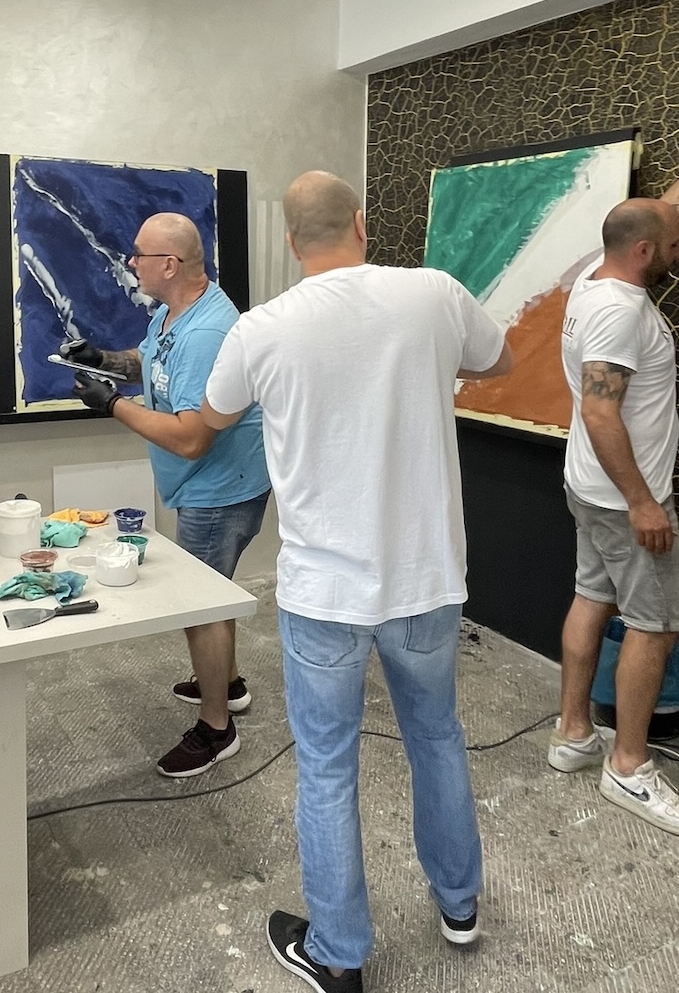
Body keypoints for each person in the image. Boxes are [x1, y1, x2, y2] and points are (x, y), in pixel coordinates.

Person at [201, 172, 512, 993]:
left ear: (291, 242)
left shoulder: (262, 328)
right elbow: (500, 358)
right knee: (437, 737)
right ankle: (459, 906)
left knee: (328, 767)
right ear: (363, 226)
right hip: (426, 577)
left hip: (323, 595)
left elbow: (213, 413)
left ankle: (339, 954)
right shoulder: (434, 294)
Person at [64, 212, 271, 779]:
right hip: (205, 484)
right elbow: (149, 362)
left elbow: (190, 438)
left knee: (201, 605)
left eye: (139, 254)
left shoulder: (207, 334)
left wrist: (112, 405)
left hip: (218, 487)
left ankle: (216, 730)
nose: (131, 263)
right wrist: (101, 361)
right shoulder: (173, 312)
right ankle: (227, 685)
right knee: (211, 593)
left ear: (170, 265)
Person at [549, 196, 679, 836]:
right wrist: (643, 502)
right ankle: (628, 765)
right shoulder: (621, 311)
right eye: (673, 246)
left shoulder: (591, 281)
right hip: (623, 499)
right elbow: (601, 412)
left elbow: (656, 215)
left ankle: (574, 735)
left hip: (591, 488)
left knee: (592, 597)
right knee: (654, 627)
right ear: (644, 250)